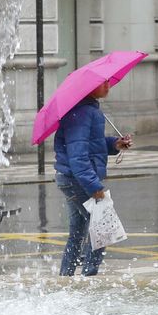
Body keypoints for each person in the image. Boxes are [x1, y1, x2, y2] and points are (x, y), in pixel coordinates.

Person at [53, 81, 132, 277]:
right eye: (102, 83)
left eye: (107, 82)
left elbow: (91, 145)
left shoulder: (87, 110)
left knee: (78, 231)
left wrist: (115, 144)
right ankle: (88, 278)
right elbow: (78, 156)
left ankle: (66, 277)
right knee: (102, 227)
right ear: (88, 87)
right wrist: (94, 187)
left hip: (71, 178)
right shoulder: (82, 113)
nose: (108, 86)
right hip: (77, 180)